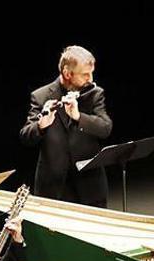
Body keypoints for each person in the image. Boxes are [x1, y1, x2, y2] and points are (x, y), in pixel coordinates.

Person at [20, 45, 113, 207]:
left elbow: (105, 128)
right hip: (54, 188)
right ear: (67, 73)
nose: (90, 79)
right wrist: (41, 126)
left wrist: (78, 117)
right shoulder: (41, 96)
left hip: (90, 185)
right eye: (85, 74)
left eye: (91, 73)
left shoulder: (95, 94)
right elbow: (26, 136)